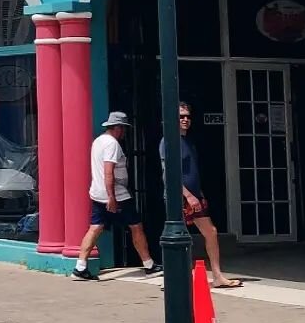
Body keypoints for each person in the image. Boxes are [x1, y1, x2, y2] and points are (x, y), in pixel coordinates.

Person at [160, 102, 242, 289]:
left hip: (194, 195)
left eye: (187, 116)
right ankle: (179, 277)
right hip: (179, 196)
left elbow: (191, 171)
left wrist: (199, 193)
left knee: (210, 232)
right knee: (181, 236)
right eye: (181, 116)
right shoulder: (169, 141)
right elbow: (170, 173)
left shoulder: (188, 141)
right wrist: (188, 196)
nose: (185, 119)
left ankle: (217, 275)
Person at [74, 111, 160, 281]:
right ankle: (149, 264)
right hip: (117, 195)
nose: (124, 133)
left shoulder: (98, 141)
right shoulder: (112, 144)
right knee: (136, 226)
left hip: (97, 193)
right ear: (119, 128)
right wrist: (111, 197)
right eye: (124, 129)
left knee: (95, 227)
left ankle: (80, 266)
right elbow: (108, 172)